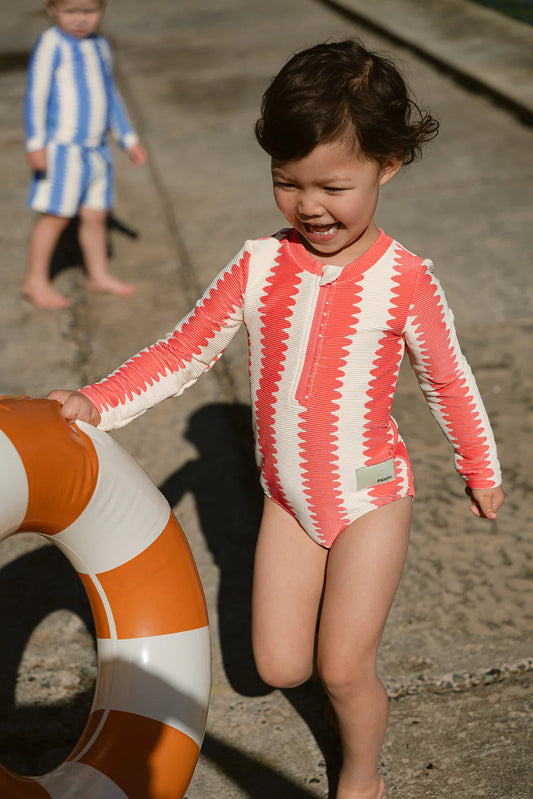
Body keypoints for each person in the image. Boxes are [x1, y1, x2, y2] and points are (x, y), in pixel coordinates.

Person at [48, 40, 504, 799]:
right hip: (288, 501)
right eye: (286, 183)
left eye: (333, 186)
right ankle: (334, 694)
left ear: (388, 165)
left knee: (343, 668)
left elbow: (446, 378)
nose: (309, 206)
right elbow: (183, 350)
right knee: (278, 666)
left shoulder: (406, 280)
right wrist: (99, 401)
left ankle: (361, 775)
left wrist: (479, 466)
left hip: (370, 495)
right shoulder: (259, 264)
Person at [22, 0, 147, 309]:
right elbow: (36, 95)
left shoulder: (101, 44)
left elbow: (110, 94)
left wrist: (128, 138)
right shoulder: (51, 44)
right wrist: (35, 143)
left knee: (96, 215)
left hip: (97, 151)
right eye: (71, 11)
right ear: (51, 9)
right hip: (63, 150)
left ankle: (98, 275)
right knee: (56, 215)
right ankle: (35, 279)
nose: (80, 19)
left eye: (89, 11)